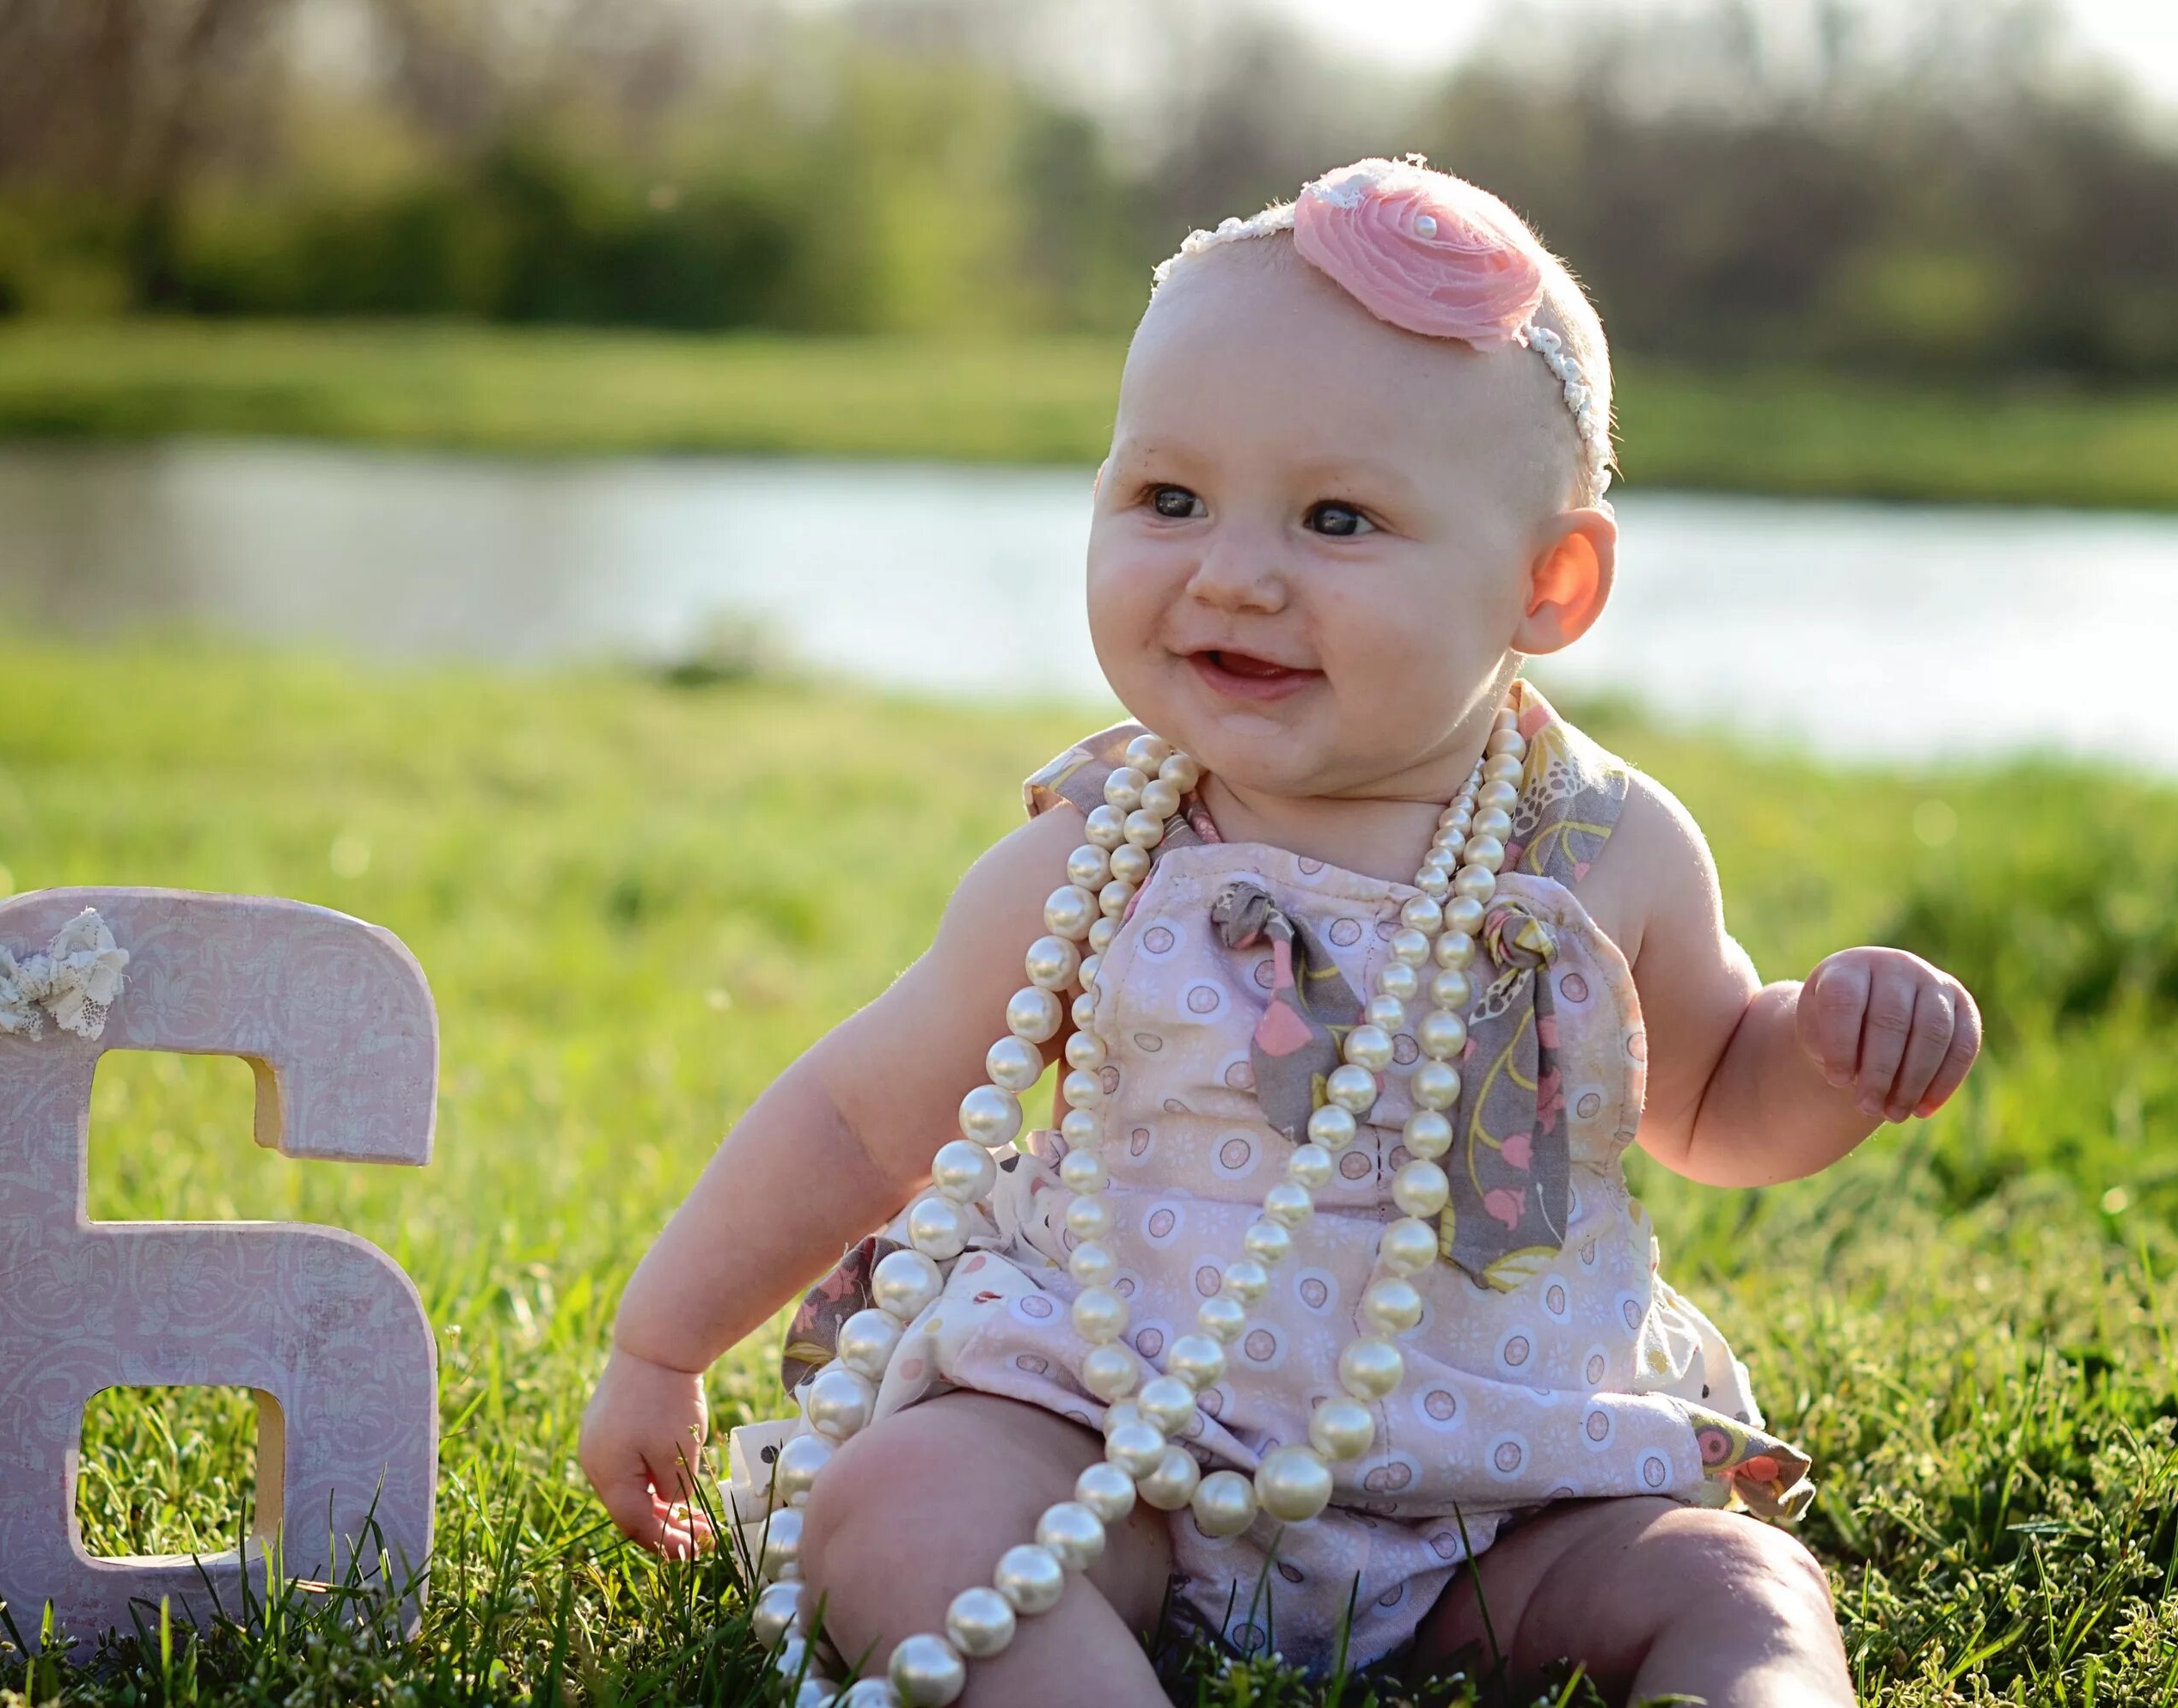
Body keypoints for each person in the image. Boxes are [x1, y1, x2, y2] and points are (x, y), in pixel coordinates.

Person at [577, 156, 1980, 1705]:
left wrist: (1831, 1057)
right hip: (1113, 1452)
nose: (1232, 574)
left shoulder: (1604, 848)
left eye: (1336, 517)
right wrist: (664, 1345)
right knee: (903, 1509)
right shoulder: (1101, 851)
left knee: (1740, 1584)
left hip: (1503, 1484)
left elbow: (1718, 1101)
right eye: (1168, 499)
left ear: (1548, 583)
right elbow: (861, 1116)